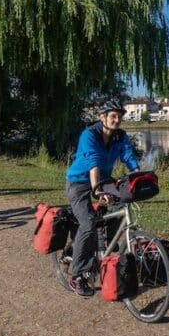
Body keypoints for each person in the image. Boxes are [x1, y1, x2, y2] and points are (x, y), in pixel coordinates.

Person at [64, 99, 140, 297]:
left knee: (124, 198)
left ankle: (105, 241)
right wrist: (97, 189)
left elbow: (128, 155)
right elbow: (93, 161)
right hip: (79, 181)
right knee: (88, 222)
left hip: (103, 179)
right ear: (103, 117)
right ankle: (77, 275)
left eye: (119, 117)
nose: (117, 120)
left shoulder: (119, 136)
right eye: (113, 116)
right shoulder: (89, 135)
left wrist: (137, 174)